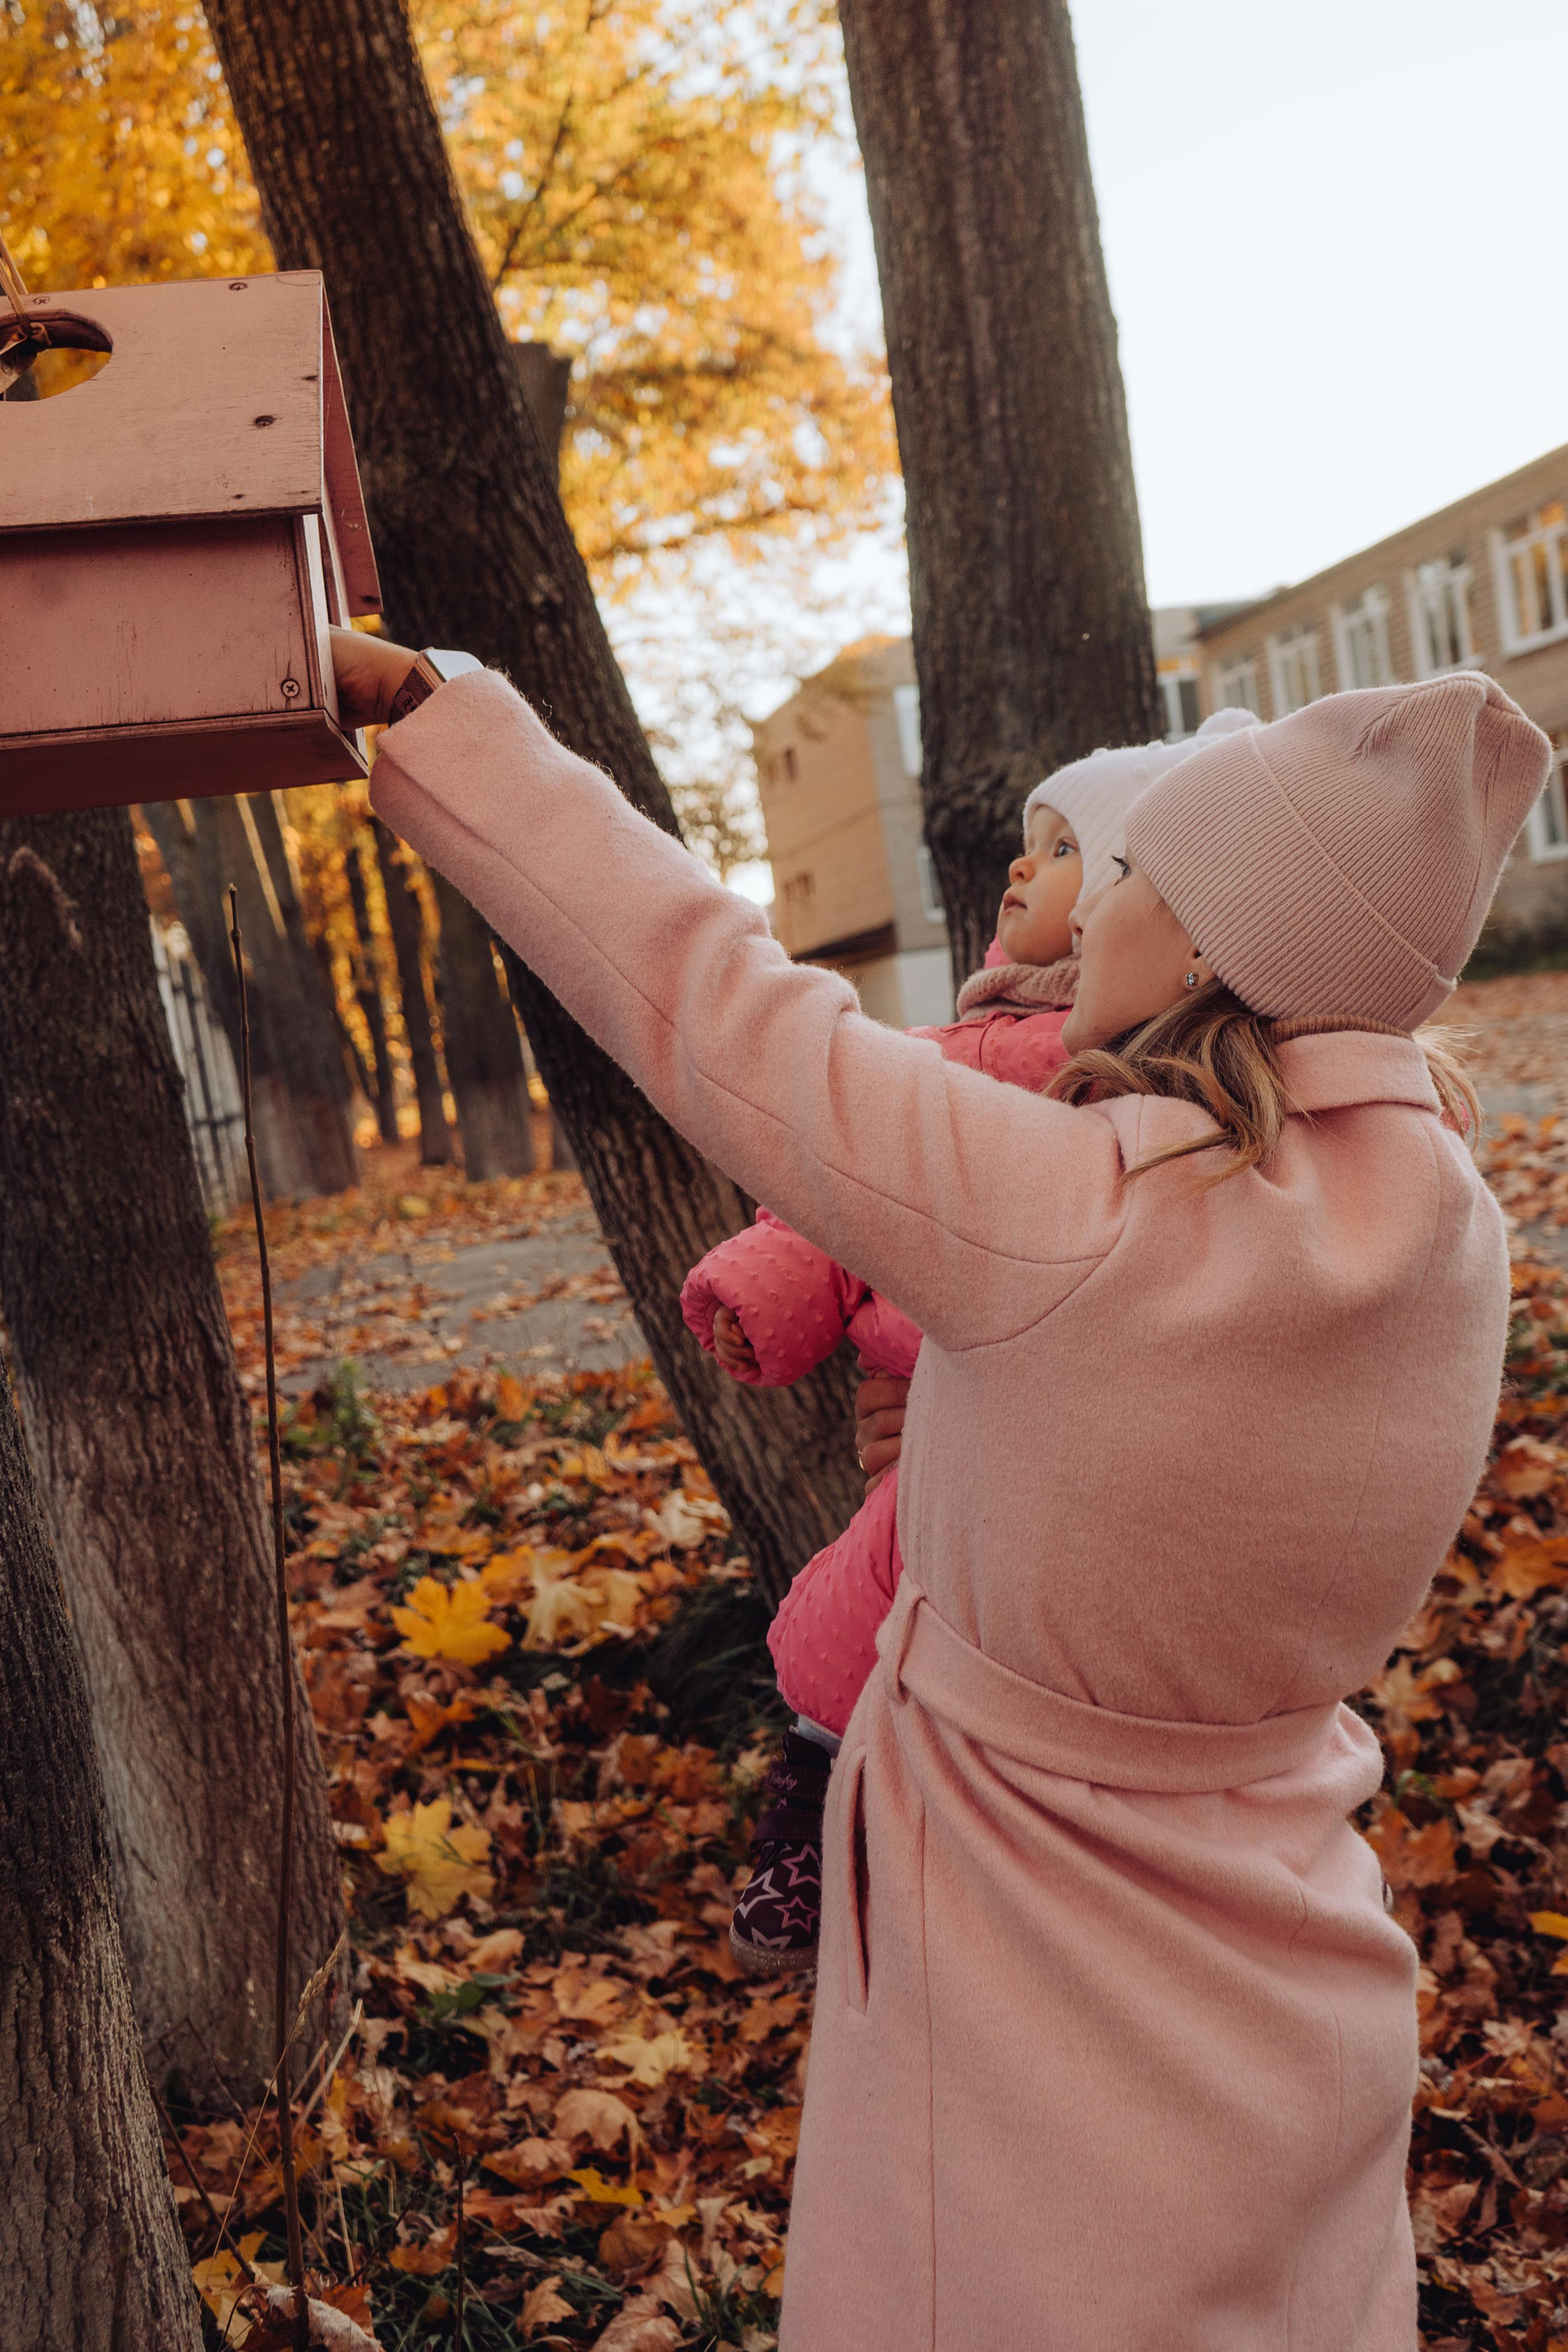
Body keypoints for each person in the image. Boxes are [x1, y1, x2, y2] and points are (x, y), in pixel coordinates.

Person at [338, 621, 1545, 2351]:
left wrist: (449, 721)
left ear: (1210, 938)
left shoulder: (1080, 1211)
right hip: (1296, 1957)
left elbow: (731, 1017)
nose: (1091, 899)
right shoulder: (1451, 1232)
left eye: (1131, 872)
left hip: (1034, 1951)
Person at [679, 714, 1256, 1970]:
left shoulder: (1137, 1078)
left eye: (1062, 851)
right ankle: (817, 1799)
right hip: (935, 1393)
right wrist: (763, 1290)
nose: (1016, 868)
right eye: (1025, 842)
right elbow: (834, 1194)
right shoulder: (936, 1052)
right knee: (874, 1598)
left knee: (911, 1587)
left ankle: (856, 1795)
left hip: (1048, 1425)